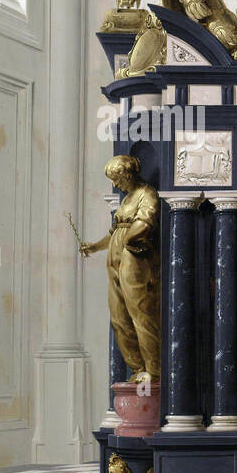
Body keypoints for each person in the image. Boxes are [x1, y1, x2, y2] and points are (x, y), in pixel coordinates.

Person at [80, 155, 161, 384]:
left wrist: (127, 241)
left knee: (140, 314)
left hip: (133, 258)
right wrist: (95, 247)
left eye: (117, 179)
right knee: (119, 317)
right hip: (114, 258)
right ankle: (137, 368)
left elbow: (145, 223)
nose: (115, 184)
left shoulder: (147, 194)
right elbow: (114, 231)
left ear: (127, 175)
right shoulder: (126, 199)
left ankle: (153, 371)